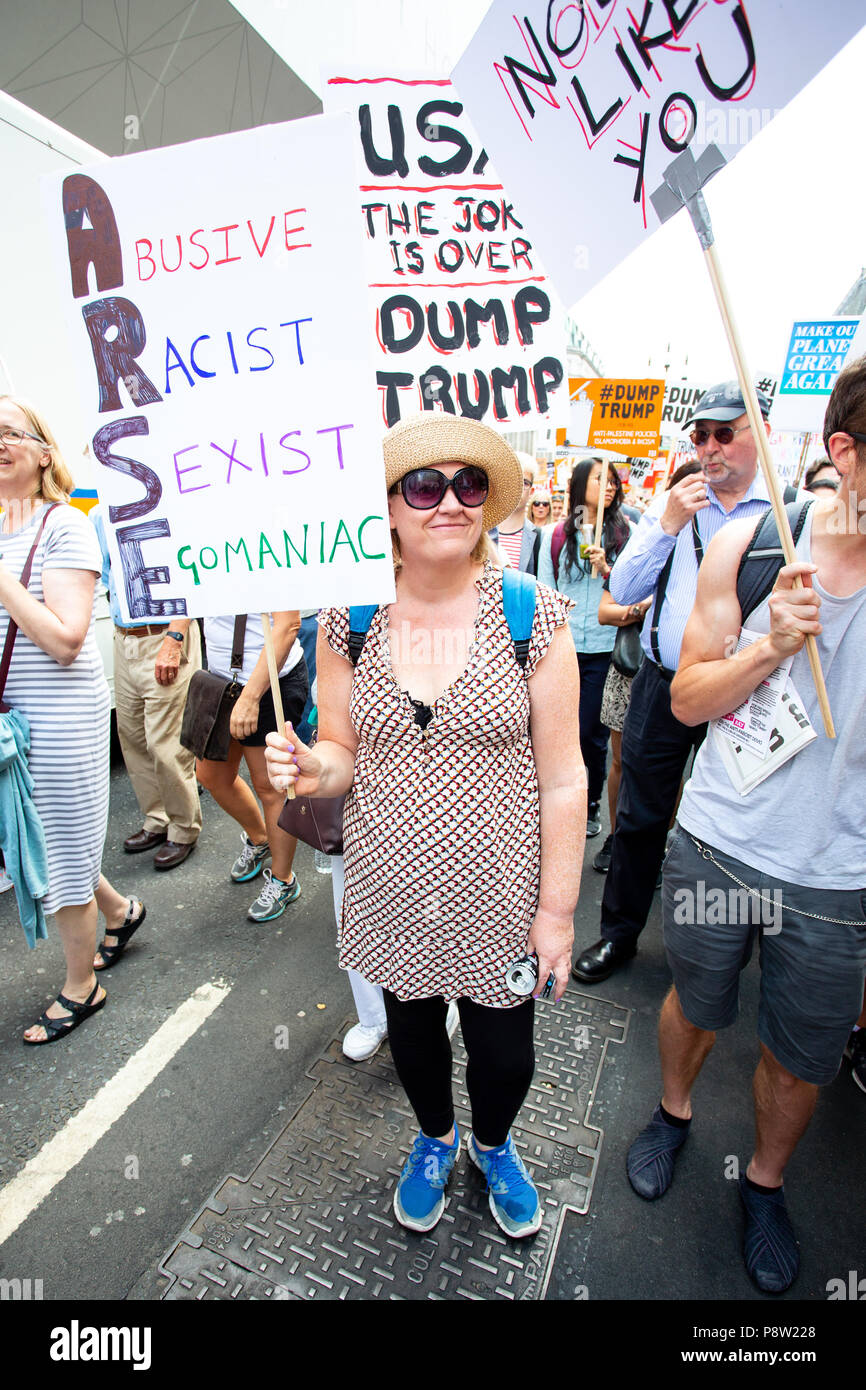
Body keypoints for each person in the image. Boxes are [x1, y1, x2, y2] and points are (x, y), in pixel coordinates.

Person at [265, 413, 583, 1239]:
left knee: (506, 1054)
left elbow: (564, 779)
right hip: (389, 889)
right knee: (412, 1035)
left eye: (469, 484)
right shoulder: (352, 616)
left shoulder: (533, 616)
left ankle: (494, 1142)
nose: (451, 501)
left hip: (499, 897)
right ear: (389, 510)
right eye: (425, 485)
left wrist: (557, 911)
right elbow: (338, 753)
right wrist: (306, 766)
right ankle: (436, 1139)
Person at [626, 354, 866, 1294]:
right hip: (722, 843)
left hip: (839, 875)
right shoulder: (756, 545)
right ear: (844, 450)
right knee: (698, 1001)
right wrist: (769, 644)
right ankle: (675, 1112)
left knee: (801, 1053)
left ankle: (764, 1182)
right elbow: (686, 699)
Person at [572, 381, 786, 984]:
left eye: (724, 433)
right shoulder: (678, 508)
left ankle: (715, 955)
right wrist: (665, 522)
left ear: (761, 435)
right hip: (665, 686)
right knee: (641, 816)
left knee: (735, 822)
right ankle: (619, 936)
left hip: (749, 695)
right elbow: (628, 590)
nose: (709, 447)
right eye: (699, 435)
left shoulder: (787, 514)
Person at [0, 395, 144, 1043]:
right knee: (46, 831)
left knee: (59, 846)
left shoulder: (65, 525)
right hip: (13, 717)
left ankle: (83, 987)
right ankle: (122, 911)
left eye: (10, 432)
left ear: (42, 451)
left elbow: (63, 640)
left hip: (61, 714)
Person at [92, 508, 202, 872]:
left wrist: (175, 637)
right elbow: (106, 578)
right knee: (133, 737)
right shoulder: (98, 515)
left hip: (164, 635)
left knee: (164, 744)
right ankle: (157, 819)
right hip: (126, 638)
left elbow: (190, 577)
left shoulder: (165, 505)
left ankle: (183, 828)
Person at [538, 458, 630, 838]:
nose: (608, 486)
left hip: (605, 648)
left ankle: (589, 805)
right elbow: (545, 589)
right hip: (564, 646)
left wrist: (609, 568)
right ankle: (551, 799)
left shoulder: (628, 533)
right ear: (580, 485)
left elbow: (634, 589)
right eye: (599, 479)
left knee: (591, 732)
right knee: (554, 727)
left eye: (613, 480)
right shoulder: (557, 535)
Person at [196, 612, 308, 921]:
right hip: (220, 680)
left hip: (270, 682)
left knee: (271, 786)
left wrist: (250, 697)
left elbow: (288, 625)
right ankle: (261, 839)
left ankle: (284, 880)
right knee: (210, 775)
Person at [490, 451, 540, 574]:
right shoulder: (484, 532)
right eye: (512, 481)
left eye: (524, 483)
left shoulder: (539, 536)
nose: (517, 488)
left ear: (531, 491)